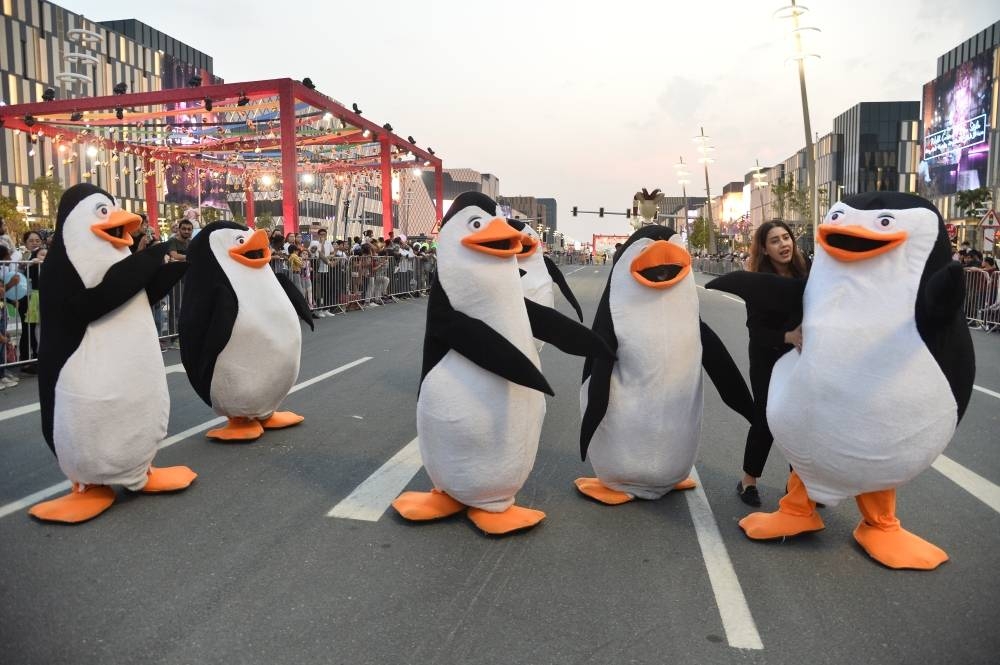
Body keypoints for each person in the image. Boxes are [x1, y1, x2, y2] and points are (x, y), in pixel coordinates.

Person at [737, 221, 810, 507]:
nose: (784, 244)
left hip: (800, 359)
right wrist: (787, 335)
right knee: (766, 419)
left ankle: (798, 485)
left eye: (786, 238)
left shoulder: (806, 274)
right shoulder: (759, 282)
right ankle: (748, 481)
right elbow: (756, 331)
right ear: (765, 249)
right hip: (768, 357)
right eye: (775, 241)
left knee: (799, 420)